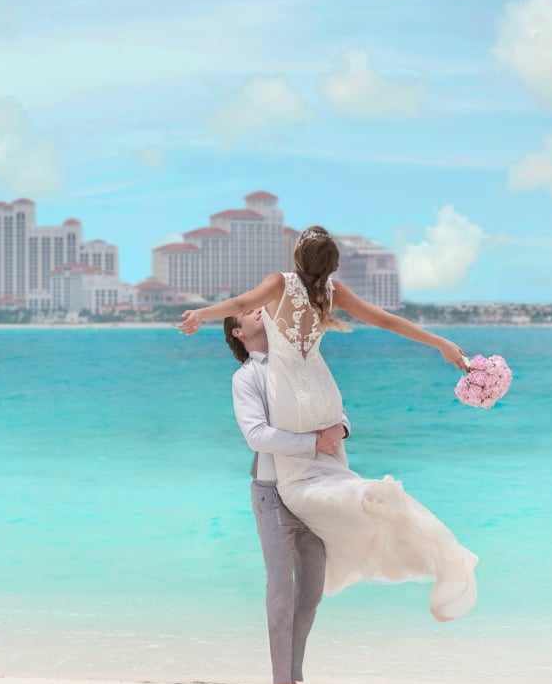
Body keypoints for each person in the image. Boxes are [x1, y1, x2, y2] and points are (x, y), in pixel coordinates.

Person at [179, 226, 478, 624]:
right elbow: (388, 321)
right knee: (335, 474)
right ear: (330, 265)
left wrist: (201, 313)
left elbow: (238, 301)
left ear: (298, 257)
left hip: (292, 401)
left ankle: (357, 512)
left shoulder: (278, 284)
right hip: (325, 396)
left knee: (304, 481)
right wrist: (440, 342)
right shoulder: (332, 293)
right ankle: (376, 509)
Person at [225, 307, 350, 684]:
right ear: (239, 333)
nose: (255, 308)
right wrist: (313, 443)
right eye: (243, 313)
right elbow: (257, 436)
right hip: (273, 492)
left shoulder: (297, 362)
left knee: (311, 591)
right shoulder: (247, 377)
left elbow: (336, 409)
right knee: (281, 587)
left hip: (315, 489)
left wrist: (339, 430)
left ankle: (294, 681)